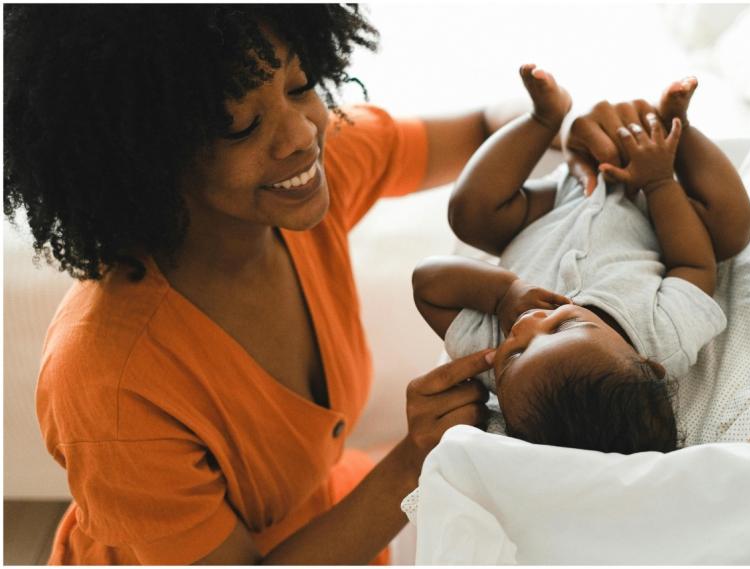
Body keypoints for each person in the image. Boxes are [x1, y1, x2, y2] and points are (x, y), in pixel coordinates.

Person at [4, 4, 702, 564]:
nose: (302, 134)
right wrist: (408, 462)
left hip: (340, 523)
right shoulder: (109, 383)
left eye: (301, 83)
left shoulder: (317, 172)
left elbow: (481, 126)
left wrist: (560, 131)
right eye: (243, 124)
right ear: (144, 157)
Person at [412, 65, 750, 452]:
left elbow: (428, 282)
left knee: (469, 214)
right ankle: (677, 128)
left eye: (515, 356)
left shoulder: (487, 349)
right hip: (652, 211)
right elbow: (693, 264)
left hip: (552, 208)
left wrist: (505, 293)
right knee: (731, 229)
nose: (527, 326)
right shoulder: (664, 338)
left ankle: (543, 118)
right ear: (648, 365)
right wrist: (659, 182)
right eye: (560, 327)